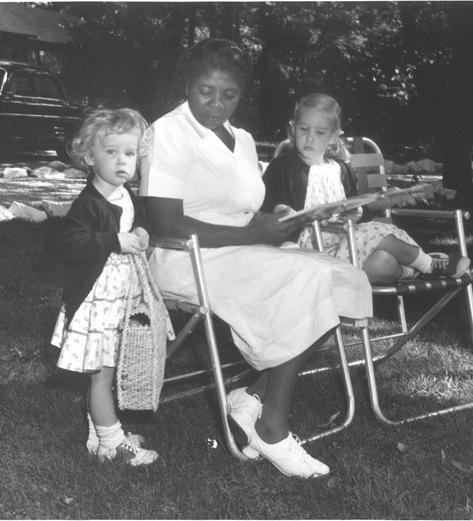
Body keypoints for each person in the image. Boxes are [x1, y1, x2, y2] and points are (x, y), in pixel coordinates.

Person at [139, 39, 374, 479]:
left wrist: (276, 218)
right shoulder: (167, 132)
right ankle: (272, 428)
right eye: (206, 90)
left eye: (229, 95)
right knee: (302, 276)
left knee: (343, 276)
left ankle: (250, 397)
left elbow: (242, 207)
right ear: (187, 83)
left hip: (244, 248)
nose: (217, 103)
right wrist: (255, 232)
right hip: (187, 257)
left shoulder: (242, 139)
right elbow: (166, 222)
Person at [51, 108, 164, 467]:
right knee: (102, 376)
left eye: (129, 154)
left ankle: (99, 432)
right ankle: (112, 443)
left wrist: (143, 232)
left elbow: (138, 219)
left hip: (119, 299)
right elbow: (71, 245)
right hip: (97, 303)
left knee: (109, 371)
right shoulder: (88, 204)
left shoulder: (123, 193)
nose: (121, 162)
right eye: (111, 152)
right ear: (89, 156)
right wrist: (114, 240)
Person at [261, 93, 471, 284]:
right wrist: (281, 211)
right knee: (374, 234)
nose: (309, 138)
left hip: (347, 245)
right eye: (303, 129)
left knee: (383, 262)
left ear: (333, 136)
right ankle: (427, 265)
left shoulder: (340, 169)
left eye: (320, 132)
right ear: (293, 127)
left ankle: (421, 268)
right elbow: (266, 208)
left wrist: (358, 212)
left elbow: (357, 209)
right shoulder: (281, 167)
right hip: (310, 252)